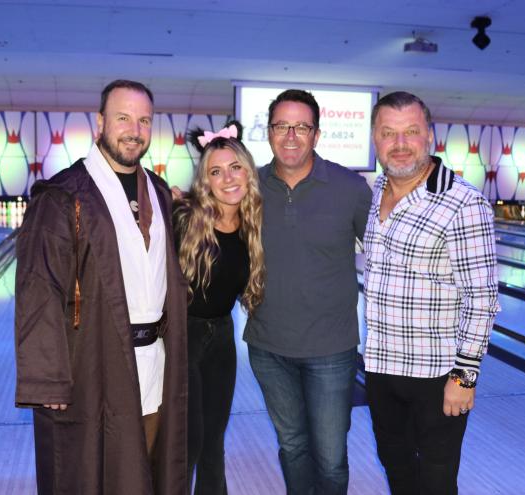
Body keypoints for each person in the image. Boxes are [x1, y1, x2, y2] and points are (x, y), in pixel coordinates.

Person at [14, 79, 187, 494]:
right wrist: (47, 379)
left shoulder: (160, 194)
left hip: (153, 369)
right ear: (99, 122)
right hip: (93, 366)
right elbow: (39, 287)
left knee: (147, 473)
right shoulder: (62, 196)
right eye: (123, 118)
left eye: (144, 120)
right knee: (95, 478)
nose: (134, 129)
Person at [363, 91, 500, 494]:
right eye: (388, 133)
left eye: (411, 132)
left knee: (437, 477)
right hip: (381, 365)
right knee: (396, 465)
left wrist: (465, 375)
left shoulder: (464, 203)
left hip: (436, 373)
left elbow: (482, 299)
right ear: (375, 138)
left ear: (430, 137)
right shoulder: (377, 190)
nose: (400, 143)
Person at [243, 89, 372, 494]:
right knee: (292, 446)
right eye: (282, 126)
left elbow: (386, 258)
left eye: (302, 126)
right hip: (268, 346)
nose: (291, 135)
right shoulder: (249, 187)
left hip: (331, 349)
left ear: (317, 134)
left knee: (331, 459)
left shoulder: (350, 187)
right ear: (268, 132)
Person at [174, 122, 265, 494]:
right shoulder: (184, 218)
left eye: (235, 168)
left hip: (222, 339)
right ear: (205, 180)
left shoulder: (254, 224)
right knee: (188, 443)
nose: (227, 178)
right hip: (182, 337)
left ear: (248, 171)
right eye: (216, 171)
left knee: (213, 442)